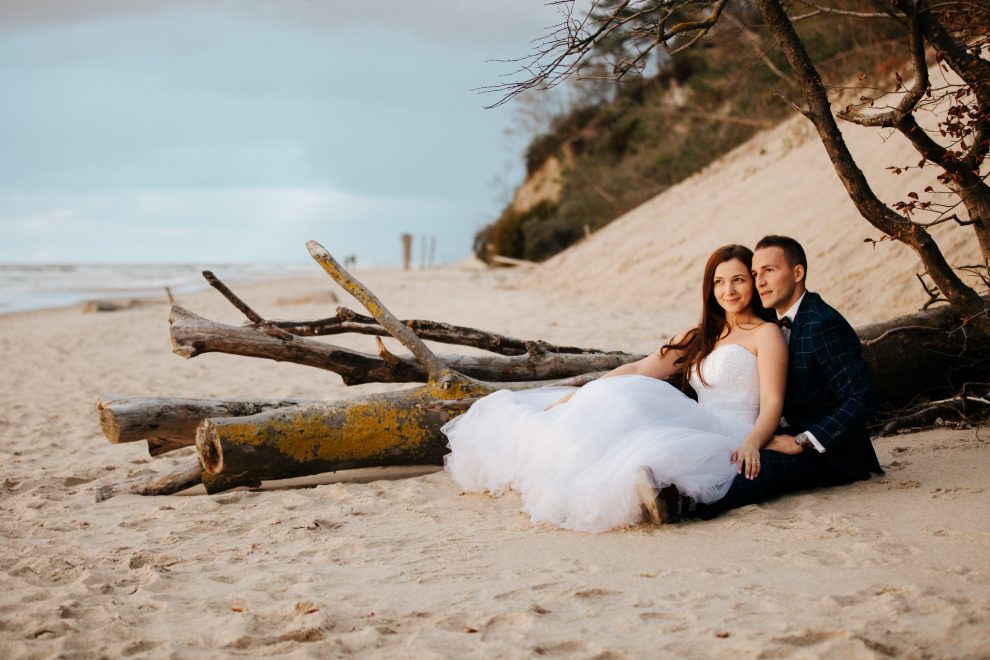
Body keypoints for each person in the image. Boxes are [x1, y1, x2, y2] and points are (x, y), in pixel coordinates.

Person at [442, 245, 788, 532]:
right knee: (624, 394)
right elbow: (640, 368)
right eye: (719, 282)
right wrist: (579, 394)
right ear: (709, 289)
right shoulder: (699, 337)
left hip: (735, 430)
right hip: (698, 418)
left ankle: (654, 497)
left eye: (739, 280)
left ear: (753, 284)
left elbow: (772, 401)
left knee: (646, 442)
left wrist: (754, 442)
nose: (728, 290)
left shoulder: (765, 334)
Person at [687, 235, 883, 520]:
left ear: (797, 273)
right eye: (755, 274)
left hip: (829, 452)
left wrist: (802, 441)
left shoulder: (822, 323)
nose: (760, 282)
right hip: (775, 433)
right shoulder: (766, 318)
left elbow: (861, 399)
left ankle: (686, 505)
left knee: (757, 466)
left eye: (769, 271)